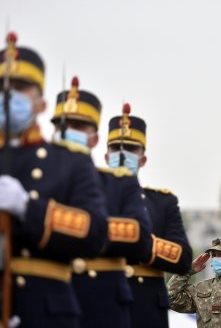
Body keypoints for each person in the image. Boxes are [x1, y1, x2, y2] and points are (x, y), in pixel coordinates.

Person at [0, 33, 108, 327]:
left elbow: (95, 233)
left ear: (41, 104)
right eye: (0, 89)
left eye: (20, 87)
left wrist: (29, 208)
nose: (8, 96)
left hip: (50, 316)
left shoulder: (71, 163)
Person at [50, 80, 153, 327]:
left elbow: (140, 238)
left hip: (102, 303)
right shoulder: (38, 176)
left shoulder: (118, 184)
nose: (67, 132)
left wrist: (68, 225)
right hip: (51, 301)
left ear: (94, 139)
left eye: (78, 126)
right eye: (62, 125)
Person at [106, 112, 193, 328]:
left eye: (131, 149)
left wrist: (144, 245)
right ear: (106, 156)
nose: (123, 155)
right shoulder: (89, 198)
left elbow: (183, 258)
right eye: (116, 148)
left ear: (143, 158)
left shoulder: (162, 202)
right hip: (102, 299)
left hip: (145, 308)